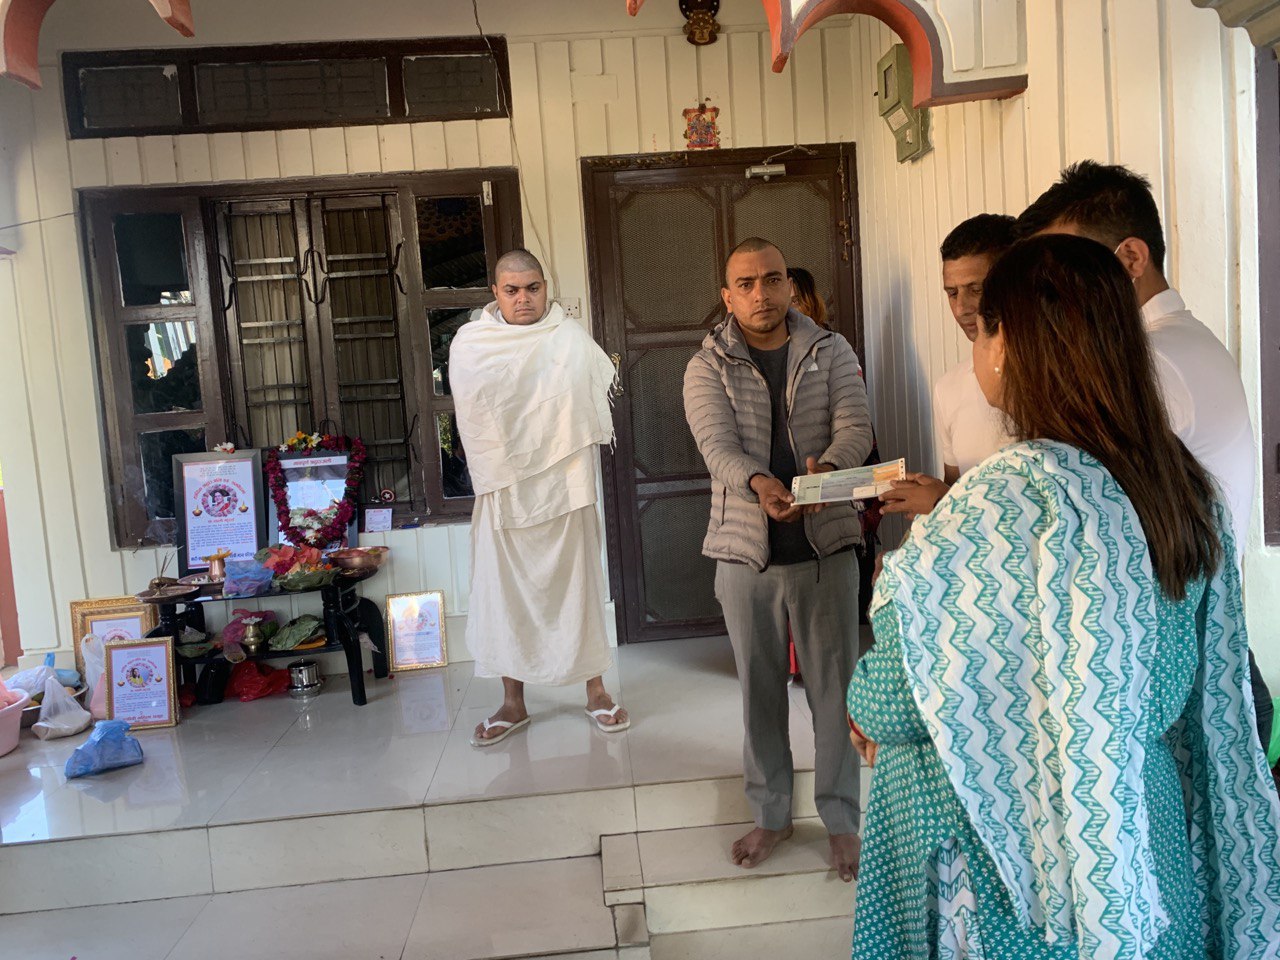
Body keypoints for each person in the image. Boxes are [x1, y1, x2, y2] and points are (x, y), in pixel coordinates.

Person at [846, 234, 1280, 958]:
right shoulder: (1179, 489)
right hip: (1139, 853)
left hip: (1009, 877)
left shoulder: (995, 505)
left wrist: (864, 702)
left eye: (983, 325)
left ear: (1005, 346)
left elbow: (897, 698)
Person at [1018, 161, 1272, 747]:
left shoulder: (1152, 363)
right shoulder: (1180, 342)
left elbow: (1086, 529)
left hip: (1185, 673)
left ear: (1131, 258)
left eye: (1068, 272)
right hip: (1204, 654)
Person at [684, 237, 874, 881]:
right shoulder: (706, 365)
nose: (760, 294)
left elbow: (855, 427)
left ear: (790, 286)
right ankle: (771, 815)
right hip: (745, 555)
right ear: (727, 296)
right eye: (746, 284)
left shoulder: (831, 349)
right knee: (760, 694)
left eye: (772, 280)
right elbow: (717, 447)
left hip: (827, 548)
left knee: (835, 692)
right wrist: (761, 482)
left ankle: (842, 821)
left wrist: (829, 471)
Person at [450, 249, 629, 747]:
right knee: (506, 593)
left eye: (533, 288)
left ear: (546, 287)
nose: (524, 299)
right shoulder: (471, 344)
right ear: (495, 292)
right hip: (504, 489)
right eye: (512, 290)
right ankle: (513, 702)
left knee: (579, 586)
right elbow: (476, 418)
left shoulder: (569, 338)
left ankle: (596, 691)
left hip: (566, 486)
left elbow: (584, 406)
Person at [879, 214, 1016, 519]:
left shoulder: (1064, 382)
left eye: (976, 289)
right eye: (952, 293)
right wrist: (933, 498)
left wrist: (943, 503)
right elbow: (955, 488)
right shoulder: (948, 388)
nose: (962, 308)